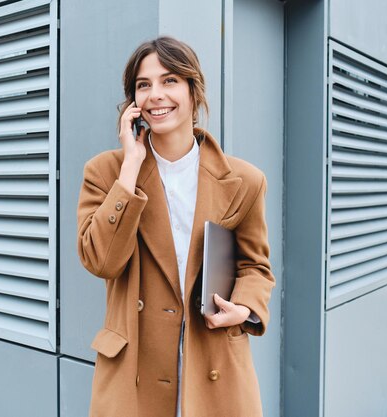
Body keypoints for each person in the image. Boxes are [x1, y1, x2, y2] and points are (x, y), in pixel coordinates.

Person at [77, 36, 275, 417]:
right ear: (133, 101)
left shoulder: (245, 180)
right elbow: (101, 261)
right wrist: (130, 167)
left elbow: (256, 268)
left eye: (169, 81)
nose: (156, 95)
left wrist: (245, 308)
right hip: (135, 367)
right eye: (143, 85)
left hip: (213, 363)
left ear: (193, 90)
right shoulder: (105, 173)